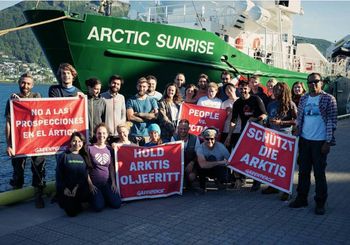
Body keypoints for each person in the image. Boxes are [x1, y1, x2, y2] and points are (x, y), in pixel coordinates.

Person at [289, 73, 337, 215]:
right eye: (310, 82)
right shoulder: (304, 98)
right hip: (304, 140)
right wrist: (296, 129)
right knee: (303, 172)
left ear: (321, 83)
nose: (313, 84)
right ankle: (301, 198)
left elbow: (332, 121)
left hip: (320, 142)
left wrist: (327, 142)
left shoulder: (329, 99)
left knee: (319, 173)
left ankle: (320, 202)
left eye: (316, 81)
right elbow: (299, 118)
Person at [5, 73, 46, 208]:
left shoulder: (37, 97)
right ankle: (16, 192)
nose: (25, 86)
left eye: (28, 83)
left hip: (36, 141)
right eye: (23, 83)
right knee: (18, 169)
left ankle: (38, 194)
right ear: (19, 83)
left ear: (33, 85)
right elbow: (8, 123)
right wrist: (9, 144)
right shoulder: (11, 100)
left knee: (39, 169)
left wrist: (21, 102)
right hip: (19, 142)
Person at [224, 79, 267, 191]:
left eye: (245, 88)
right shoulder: (237, 103)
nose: (243, 90)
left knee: (256, 156)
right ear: (238, 89)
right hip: (245, 131)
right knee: (244, 155)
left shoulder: (256, 99)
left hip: (258, 130)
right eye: (241, 88)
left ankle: (256, 182)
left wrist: (255, 118)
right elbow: (233, 120)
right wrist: (229, 135)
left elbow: (264, 115)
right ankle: (241, 179)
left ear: (249, 89)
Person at [261, 82, 297, 200]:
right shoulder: (271, 104)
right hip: (272, 137)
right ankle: (273, 186)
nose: (276, 92)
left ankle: (287, 189)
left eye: (279, 90)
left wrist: (281, 123)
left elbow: (296, 121)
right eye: (275, 89)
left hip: (286, 138)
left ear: (284, 91)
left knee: (285, 165)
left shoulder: (290, 105)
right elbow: (268, 119)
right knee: (272, 164)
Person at [87, 123, 122, 212]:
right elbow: (86, 168)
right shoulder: (90, 148)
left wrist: (113, 183)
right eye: (99, 133)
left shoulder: (109, 149)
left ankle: (104, 197)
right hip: (95, 185)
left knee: (117, 204)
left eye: (103, 133)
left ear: (107, 135)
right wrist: (90, 185)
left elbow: (111, 167)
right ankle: (97, 198)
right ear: (95, 134)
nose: (101, 135)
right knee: (98, 208)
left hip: (107, 183)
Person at [56, 132, 91, 217]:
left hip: (78, 187)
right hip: (67, 188)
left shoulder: (83, 156)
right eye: (74, 141)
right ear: (70, 142)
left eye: (80, 141)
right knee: (71, 213)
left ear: (82, 143)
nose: (77, 144)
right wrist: (64, 188)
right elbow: (59, 175)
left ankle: (81, 202)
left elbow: (83, 175)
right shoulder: (64, 156)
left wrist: (76, 188)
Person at [126, 77, 158, 145]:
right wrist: (148, 117)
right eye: (140, 86)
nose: (141, 88)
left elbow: (155, 115)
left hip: (148, 135)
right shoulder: (130, 100)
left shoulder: (152, 100)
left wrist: (139, 114)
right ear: (137, 86)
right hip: (134, 135)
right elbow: (130, 117)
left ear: (147, 87)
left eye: (144, 86)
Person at [196, 128, 230, 192]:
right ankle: (202, 186)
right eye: (207, 139)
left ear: (215, 139)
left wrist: (238, 178)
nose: (210, 141)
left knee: (222, 168)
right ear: (203, 139)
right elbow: (203, 165)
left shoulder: (221, 147)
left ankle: (220, 182)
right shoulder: (200, 148)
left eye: (212, 139)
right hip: (206, 170)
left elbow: (231, 160)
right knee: (200, 165)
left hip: (217, 169)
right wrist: (220, 162)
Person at [171, 119, 200, 189]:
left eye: (185, 129)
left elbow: (198, 154)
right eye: (181, 129)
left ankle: (191, 182)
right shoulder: (173, 138)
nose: (183, 131)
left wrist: (192, 163)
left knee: (191, 177)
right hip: (178, 164)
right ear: (178, 128)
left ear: (189, 129)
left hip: (191, 163)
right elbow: (172, 155)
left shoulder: (195, 139)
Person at [101, 75, 126, 144]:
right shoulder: (102, 97)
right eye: (114, 83)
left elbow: (123, 115)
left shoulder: (121, 98)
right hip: (105, 135)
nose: (116, 85)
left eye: (118, 84)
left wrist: (121, 129)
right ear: (109, 83)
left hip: (118, 135)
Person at [85, 78, 106, 143]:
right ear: (89, 88)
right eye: (96, 89)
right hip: (84, 136)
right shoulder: (83, 100)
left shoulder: (102, 102)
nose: (98, 91)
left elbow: (104, 120)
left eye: (99, 89)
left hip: (97, 137)